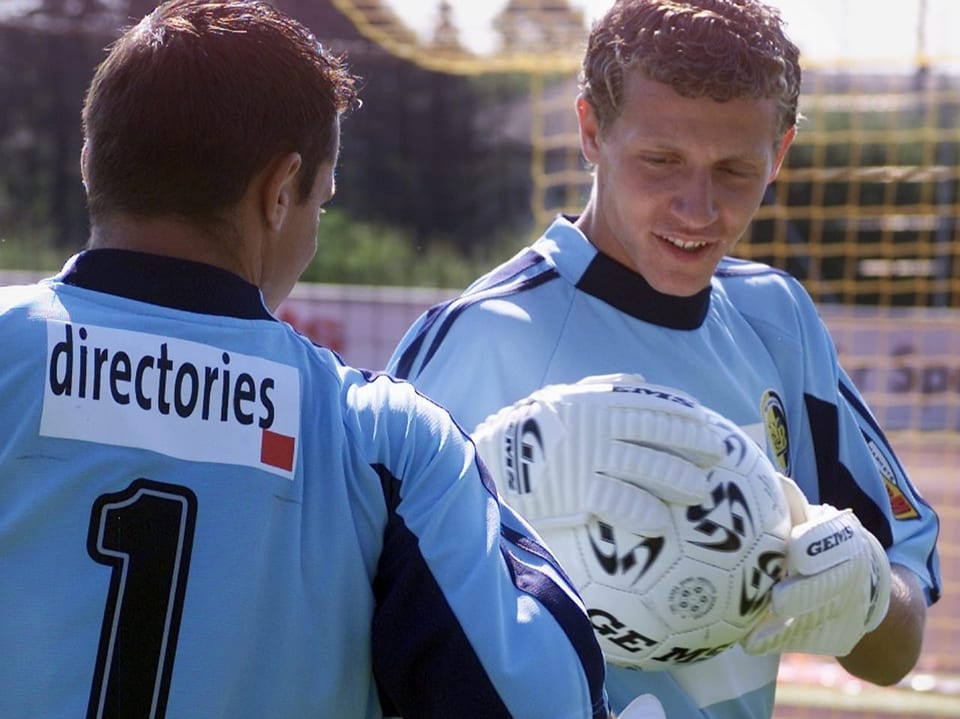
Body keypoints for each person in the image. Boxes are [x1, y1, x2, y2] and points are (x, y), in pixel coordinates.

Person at [0, 2, 623, 717]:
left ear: (89, 160)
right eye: (320, 202)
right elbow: (543, 700)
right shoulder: (386, 441)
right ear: (279, 191)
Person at [387, 0, 942, 717]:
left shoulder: (780, 320)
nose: (698, 207)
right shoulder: (479, 339)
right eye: (662, 160)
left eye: (735, 170)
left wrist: (866, 594)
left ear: (779, 154)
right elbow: (362, 635)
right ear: (590, 130)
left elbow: (898, 643)